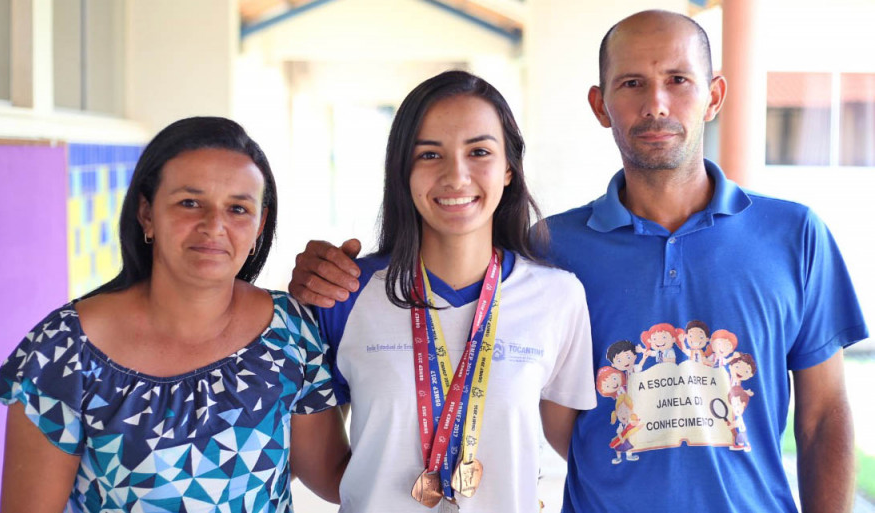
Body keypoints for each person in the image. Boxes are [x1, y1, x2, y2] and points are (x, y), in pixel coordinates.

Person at [288, 10, 869, 513]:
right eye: (632, 83)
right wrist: (317, 278)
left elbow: (823, 417)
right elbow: (562, 424)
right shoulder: (552, 249)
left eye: (678, 80)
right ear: (600, 104)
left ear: (714, 96)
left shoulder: (794, 234)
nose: (656, 103)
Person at [0, 117, 350, 512]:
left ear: (259, 226)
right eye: (190, 203)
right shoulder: (64, 352)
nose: (214, 226)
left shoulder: (289, 331)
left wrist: (363, 319)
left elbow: (334, 478)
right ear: (147, 213)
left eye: (238, 208)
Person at [309, 70, 595, 512]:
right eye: (429, 155)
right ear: (402, 171)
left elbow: (584, 454)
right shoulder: (344, 292)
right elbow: (323, 469)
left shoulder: (558, 298)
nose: (456, 176)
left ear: (509, 169)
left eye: (479, 151)